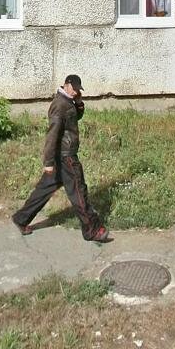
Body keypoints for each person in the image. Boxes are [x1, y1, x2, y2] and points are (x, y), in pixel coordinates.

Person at [12, 74, 110, 243]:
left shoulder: (67, 101)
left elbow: (74, 118)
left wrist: (79, 103)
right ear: (66, 85)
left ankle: (21, 218)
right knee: (79, 191)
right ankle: (92, 230)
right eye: (74, 89)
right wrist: (48, 162)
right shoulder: (59, 105)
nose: (76, 92)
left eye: (78, 90)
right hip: (66, 157)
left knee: (45, 189)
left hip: (62, 156)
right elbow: (52, 134)